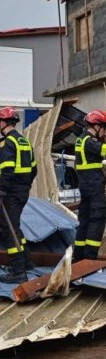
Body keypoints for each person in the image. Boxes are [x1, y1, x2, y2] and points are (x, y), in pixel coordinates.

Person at [0, 107, 37, 283]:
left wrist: (2, 192)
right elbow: (34, 169)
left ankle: (18, 271)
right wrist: (25, 185)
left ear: (3, 123)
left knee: (8, 228)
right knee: (15, 226)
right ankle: (27, 262)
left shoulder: (7, 143)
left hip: (11, 192)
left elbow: (7, 170)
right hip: (22, 190)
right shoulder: (24, 142)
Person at [73, 110, 106, 264]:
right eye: (104, 128)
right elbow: (103, 151)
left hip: (85, 185)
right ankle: (89, 260)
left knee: (85, 220)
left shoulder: (82, 139)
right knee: (97, 219)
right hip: (94, 186)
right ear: (97, 126)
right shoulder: (89, 141)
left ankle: (78, 257)